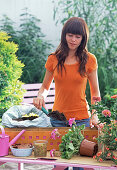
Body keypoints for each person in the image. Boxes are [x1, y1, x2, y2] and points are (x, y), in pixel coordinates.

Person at [33, 17, 100, 170]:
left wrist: (95, 114)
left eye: (78, 36)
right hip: (58, 119)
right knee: (59, 165)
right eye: (70, 35)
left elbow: (95, 92)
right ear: (64, 35)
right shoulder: (53, 59)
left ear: (83, 38)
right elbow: (45, 86)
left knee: (83, 165)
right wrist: (40, 96)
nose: (73, 40)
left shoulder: (90, 60)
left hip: (82, 119)